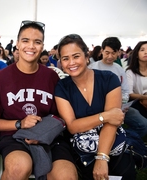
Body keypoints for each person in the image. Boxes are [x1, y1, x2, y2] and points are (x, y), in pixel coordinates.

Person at [0, 20, 77, 180]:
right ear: (17, 44)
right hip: (14, 136)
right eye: (25, 41)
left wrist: (43, 132)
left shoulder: (51, 76)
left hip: (50, 137)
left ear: (42, 46)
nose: (31, 46)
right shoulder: (1, 78)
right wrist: (19, 124)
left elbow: (62, 117)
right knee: (19, 167)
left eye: (37, 42)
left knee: (67, 177)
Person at [54, 34, 136, 180]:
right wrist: (104, 116)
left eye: (76, 56)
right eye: (65, 58)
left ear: (86, 57)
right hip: (81, 145)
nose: (71, 62)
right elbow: (72, 126)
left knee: (124, 171)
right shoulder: (62, 87)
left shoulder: (109, 79)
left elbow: (114, 121)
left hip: (111, 137)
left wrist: (102, 157)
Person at [89, 37, 147, 137]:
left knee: (143, 124)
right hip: (97, 108)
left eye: (114, 53)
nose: (110, 56)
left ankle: (126, 141)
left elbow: (125, 91)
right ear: (102, 51)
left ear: (118, 52)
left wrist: (122, 105)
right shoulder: (92, 68)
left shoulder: (119, 69)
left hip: (118, 107)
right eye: (107, 52)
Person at [126, 41, 147, 118]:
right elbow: (130, 94)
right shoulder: (130, 72)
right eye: (142, 50)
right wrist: (144, 97)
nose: (146, 52)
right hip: (138, 103)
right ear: (137, 54)